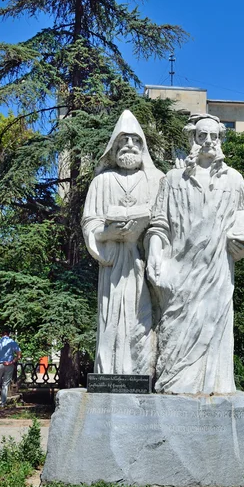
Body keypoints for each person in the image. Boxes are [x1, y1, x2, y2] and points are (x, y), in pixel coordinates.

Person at [146, 114, 244, 394]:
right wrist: (155, 253)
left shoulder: (234, 180)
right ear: (192, 138)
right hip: (180, 273)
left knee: (214, 333)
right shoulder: (173, 179)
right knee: (173, 336)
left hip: (217, 273)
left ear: (221, 139)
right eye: (202, 136)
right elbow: (158, 224)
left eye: (214, 136)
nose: (209, 142)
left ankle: (215, 387)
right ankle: (173, 386)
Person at [82, 110, 163, 375]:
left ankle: (140, 372)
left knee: (141, 318)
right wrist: (106, 233)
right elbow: (90, 222)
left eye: (135, 141)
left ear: (143, 146)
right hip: (113, 262)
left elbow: (167, 224)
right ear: (114, 147)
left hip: (142, 261)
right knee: (111, 318)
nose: (129, 145)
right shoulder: (102, 181)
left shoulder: (157, 180)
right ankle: (109, 373)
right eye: (123, 141)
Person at [0, 328, 21, 408]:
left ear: (2, 334)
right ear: (9, 334)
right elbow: (19, 355)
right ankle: (2, 404)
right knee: (5, 385)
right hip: (9, 365)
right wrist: (11, 362)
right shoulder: (12, 342)